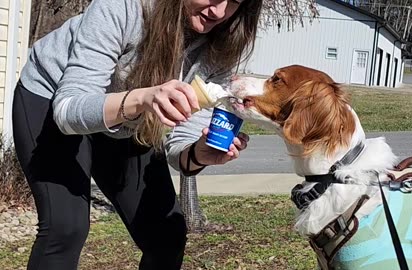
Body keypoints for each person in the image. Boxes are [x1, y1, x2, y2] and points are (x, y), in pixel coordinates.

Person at [12, 0, 262, 269]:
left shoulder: (222, 45)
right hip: (53, 99)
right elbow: (68, 111)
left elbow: (181, 146)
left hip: (128, 121)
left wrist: (198, 153)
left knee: (167, 234)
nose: (219, 11)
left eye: (235, 2)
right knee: (66, 228)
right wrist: (144, 97)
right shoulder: (124, 6)